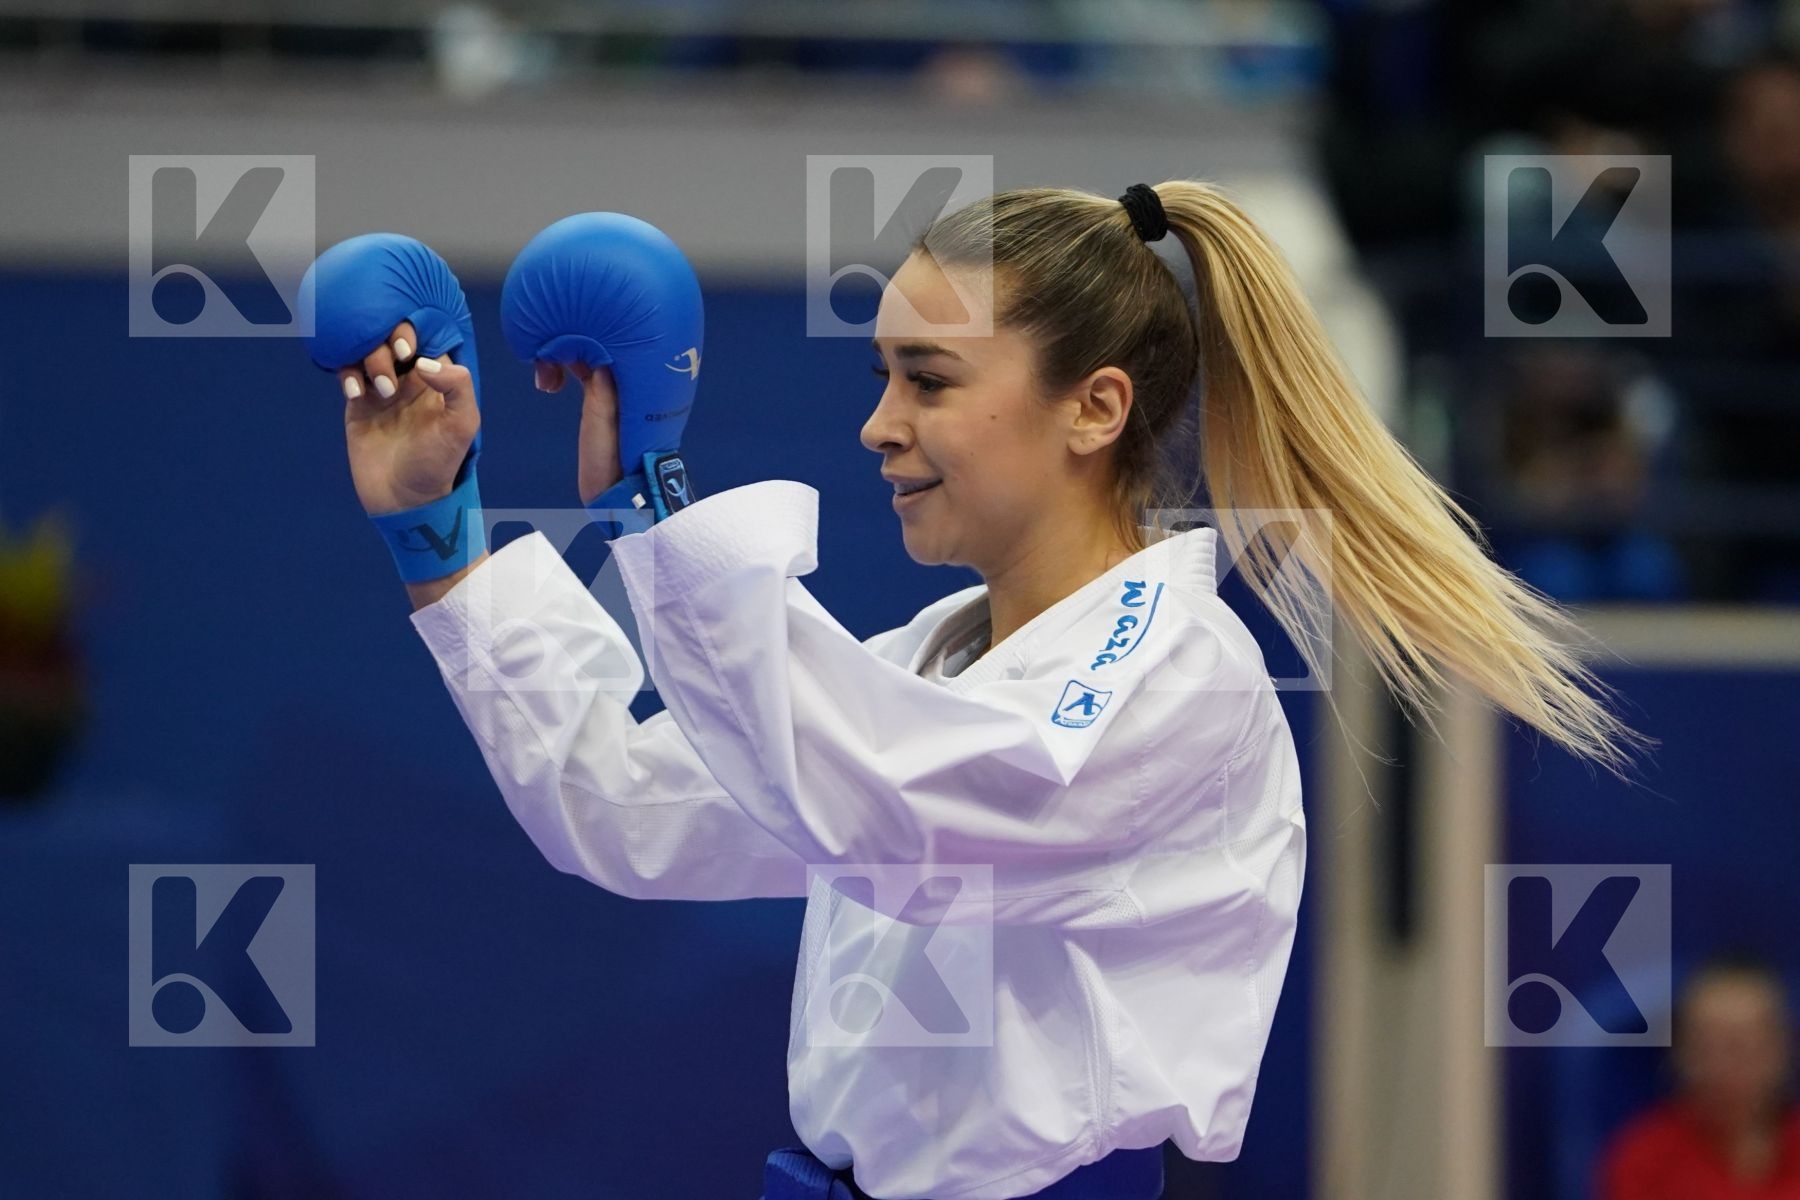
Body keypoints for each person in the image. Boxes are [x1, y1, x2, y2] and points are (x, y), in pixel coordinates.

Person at [315, 181, 1651, 1199]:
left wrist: (664, 496)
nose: (878, 424)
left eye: (930, 380)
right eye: (883, 374)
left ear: (1096, 408)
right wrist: (441, 533)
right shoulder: (931, 667)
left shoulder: (1181, 679)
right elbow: (630, 809)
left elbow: (903, 822)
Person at [1599, 953, 1800, 1199]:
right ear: (1679, 1053)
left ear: (1782, 1048)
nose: (1723, 1066)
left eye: (1741, 1047)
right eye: (1706, 1048)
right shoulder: (1644, 1160)